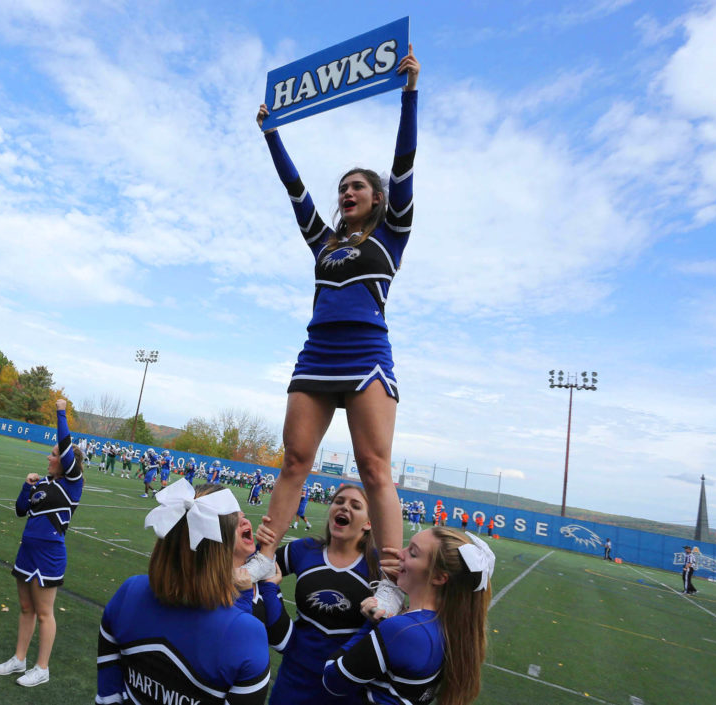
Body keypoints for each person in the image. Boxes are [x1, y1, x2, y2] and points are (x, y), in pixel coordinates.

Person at [255, 48, 420, 618]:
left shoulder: (391, 234)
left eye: (359, 187)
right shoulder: (323, 242)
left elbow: (403, 166)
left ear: (376, 200)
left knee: (375, 467)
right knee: (294, 459)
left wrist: (409, 95)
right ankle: (264, 553)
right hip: (317, 352)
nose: (347, 192)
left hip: (366, 352)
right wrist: (271, 133)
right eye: (344, 187)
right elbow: (293, 188)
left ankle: (392, 582)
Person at [96, 479, 271, 704]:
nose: (246, 521)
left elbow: (107, 696)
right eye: (236, 522)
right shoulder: (246, 633)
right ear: (219, 550)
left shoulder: (129, 592)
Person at [322, 528, 495, 705]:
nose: (400, 554)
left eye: (412, 553)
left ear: (438, 577)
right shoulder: (448, 624)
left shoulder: (404, 631)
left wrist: (372, 623)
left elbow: (333, 680)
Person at [252, 484, 379, 704]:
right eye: (339, 502)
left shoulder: (377, 565)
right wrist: (261, 545)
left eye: (355, 506)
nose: (344, 507)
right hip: (294, 676)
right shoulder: (306, 549)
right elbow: (258, 567)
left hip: (345, 685)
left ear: (368, 523)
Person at [0, 399, 83, 688]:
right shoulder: (43, 483)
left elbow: (66, 444)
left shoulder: (72, 483)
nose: (49, 457)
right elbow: (21, 510)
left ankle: (42, 667)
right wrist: (26, 485)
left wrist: (60, 412)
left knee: (45, 612)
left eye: (54, 454)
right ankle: (19, 659)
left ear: (67, 461)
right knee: (25, 607)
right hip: (27, 551)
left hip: (49, 554)